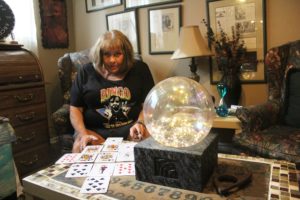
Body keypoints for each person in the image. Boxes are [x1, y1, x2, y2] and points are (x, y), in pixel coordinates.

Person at [70, 30, 155, 153]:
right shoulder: (85, 72)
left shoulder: (140, 69)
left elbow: (147, 105)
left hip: (132, 128)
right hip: (94, 131)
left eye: (117, 54)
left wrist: (141, 123)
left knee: (147, 147)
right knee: (80, 147)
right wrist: (83, 133)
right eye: (107, 54)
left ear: (126, 54)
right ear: (100, 54)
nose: (112, 60)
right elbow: (75, 108)